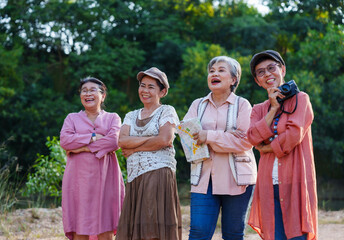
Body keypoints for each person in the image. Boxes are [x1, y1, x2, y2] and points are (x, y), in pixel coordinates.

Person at [183, 56, 257, 240]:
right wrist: (227, 137)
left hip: (238, 179)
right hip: (203, 178)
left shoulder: (243, 105)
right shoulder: (197, 105)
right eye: (211, 71)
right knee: (198, 232)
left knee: (233, 233)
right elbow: (186, 135)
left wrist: (208, 136)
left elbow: (245, 141)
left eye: (221, 70)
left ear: (234, 79)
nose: (214, 73)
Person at [247, 50, 318, 240]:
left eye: (272, 68)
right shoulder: (258, 109)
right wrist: (273, 108)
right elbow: (253, 137)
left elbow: (294, 135)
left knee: (297, 236)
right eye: (261, 72)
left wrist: (267, 147)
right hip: (268, 184)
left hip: (296, 182)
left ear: (283, 70)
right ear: (257, 81)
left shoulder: (301, 99)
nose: (267, 74)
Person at [115, 67, 182, 240]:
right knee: (136, 229)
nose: (145, 91)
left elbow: (165, 139)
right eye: (142, 85)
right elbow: (122, 141)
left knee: (152, 228)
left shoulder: (167, 111)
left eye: (151, 87)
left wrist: (134, 148)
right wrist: (151, 138)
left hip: (158, 173)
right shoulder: (131, 115)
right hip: (135, 177)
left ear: (163, 91)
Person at [60, 77, 125, 240]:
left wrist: (80, 147)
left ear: (103, 95)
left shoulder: (113, 118)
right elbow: (65, 141)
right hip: (78, 179)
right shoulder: (71, 118)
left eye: (92, 90)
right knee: (79, 226)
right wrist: (94, 136)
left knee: (106, 225)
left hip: (105, 178)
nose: (87, 93)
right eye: (84, 90)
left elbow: (114, 141)